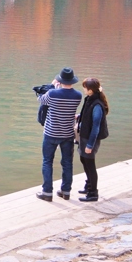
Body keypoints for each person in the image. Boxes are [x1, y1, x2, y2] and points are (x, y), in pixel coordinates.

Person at [36, 68, 83, 202]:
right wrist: (56, 88)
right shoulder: (78, 95)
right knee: (67, 163)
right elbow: (65, 96)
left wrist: (52, 86)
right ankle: (65, 191)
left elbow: (41, 100)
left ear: (60, 80)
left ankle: (47, 192)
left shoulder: (52, 93)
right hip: (67, 134)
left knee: (47, 162)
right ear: (72, 81)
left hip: (51, 133)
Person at [77, 78, 109, 202]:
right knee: (83, 160)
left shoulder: (97, 105)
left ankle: (93, 193)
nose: (83, 89)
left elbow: (95, 127)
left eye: (85, 87)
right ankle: (88, 185)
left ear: (90, 90)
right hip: (84, 136)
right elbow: (87, 115)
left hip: (91, 139)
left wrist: (90, 145)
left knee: (90, 165)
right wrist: (80, 117)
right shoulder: (90, 100)